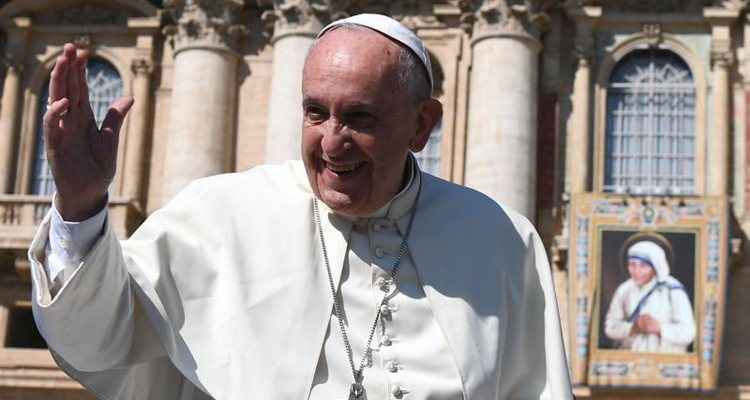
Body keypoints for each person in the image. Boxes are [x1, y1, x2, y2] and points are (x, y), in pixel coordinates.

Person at [29, 13, 573, 400]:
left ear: (421, 125)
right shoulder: (216, 217)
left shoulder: (502, 241)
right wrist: (80, 206)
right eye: (316, 113)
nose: (331, 142)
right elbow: (94, 340)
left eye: (359, 117)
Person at [604, 240, 696, 353]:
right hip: (630, 358)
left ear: (655, 266)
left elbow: (689, 333)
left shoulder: (673, 290)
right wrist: (633, 328)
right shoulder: (624, 290)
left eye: (643, 266)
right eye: (632, 265)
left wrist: (659, 328)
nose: (636, 271)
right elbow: (610, 328)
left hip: (667, 360)